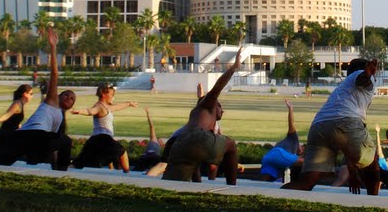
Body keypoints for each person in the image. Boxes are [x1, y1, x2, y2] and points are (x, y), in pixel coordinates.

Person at [283, 57, 381, 195]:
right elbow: (362, 79)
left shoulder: (343, 87)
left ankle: (274, 199)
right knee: (372, 166)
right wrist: (367, 73)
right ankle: (374, 204)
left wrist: (353, 173)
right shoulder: (361, 75)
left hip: (319, 127)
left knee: (307, 181)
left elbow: (346, 146)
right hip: (346, 122)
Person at [0, 28, 74, 171]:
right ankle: (61, 171)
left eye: (71, 99)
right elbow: (54, 74)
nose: (68, 97)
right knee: (67, 141)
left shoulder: (58, 119)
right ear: (58, 95)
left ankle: (53, 168)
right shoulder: (52, 101)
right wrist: (53, 47)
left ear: (71, 106)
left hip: (29, 139)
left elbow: (53, 147)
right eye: (66, 94)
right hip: (30, 135)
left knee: (0, 164)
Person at [162, 47, 243, 184]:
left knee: (179, 177)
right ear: (214, 103)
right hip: (195, 138)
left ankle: (196, 187)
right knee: (231, 145)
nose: (222, 111)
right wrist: (234, 67)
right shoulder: (209, 104)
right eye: (220, 106)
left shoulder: (199, 113)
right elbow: (218, 87)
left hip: (180, 144)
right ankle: (232, 187)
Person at [71, 84, 138, 171]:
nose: (113, 97)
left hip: (96, 139)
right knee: (122, 151)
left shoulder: (106, 107)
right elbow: (91, 111)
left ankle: (62, 172)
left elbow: (117, 107)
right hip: (102, 138)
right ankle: (127, 174)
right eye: (111, 95)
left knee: (80, 163)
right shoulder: (99, 106)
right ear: (103, 94)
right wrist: (80, 111)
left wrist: (129, 103)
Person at [258, 100, 305, 181]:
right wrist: (291, 109)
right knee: (307, 162)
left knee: (264, 184)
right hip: (277, 153)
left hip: (267, 158)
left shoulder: (289, 151)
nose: (302, 148)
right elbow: (291, 124)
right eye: (303, 147)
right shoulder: (294, 139)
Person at [131, 108, 167, 173]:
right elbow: (151, 126)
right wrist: (148, 114)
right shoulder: (154, 140)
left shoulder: (158, 146)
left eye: (161, 141)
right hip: (149, 156)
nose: (161, 140)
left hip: (148, 157)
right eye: (160, 139)